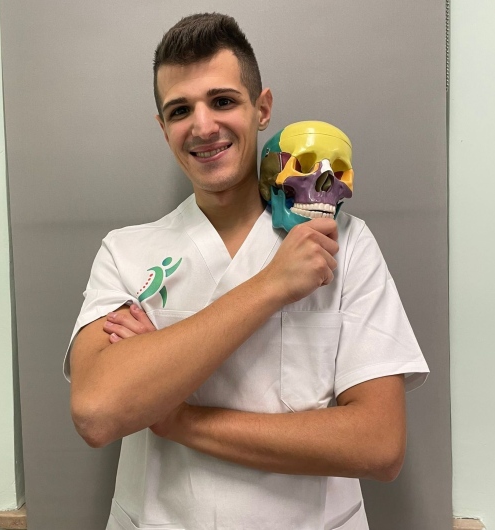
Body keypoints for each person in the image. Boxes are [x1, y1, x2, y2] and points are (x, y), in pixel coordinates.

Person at [65, 13, 429, 530]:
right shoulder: (126, 253)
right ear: (163, 128)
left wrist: (176, 417)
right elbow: (98, 412)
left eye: (222, 101)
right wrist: (270, 287)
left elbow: (379, 445)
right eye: (179, 110)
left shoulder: (343, 243)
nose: (202, 126)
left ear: (262, 109)